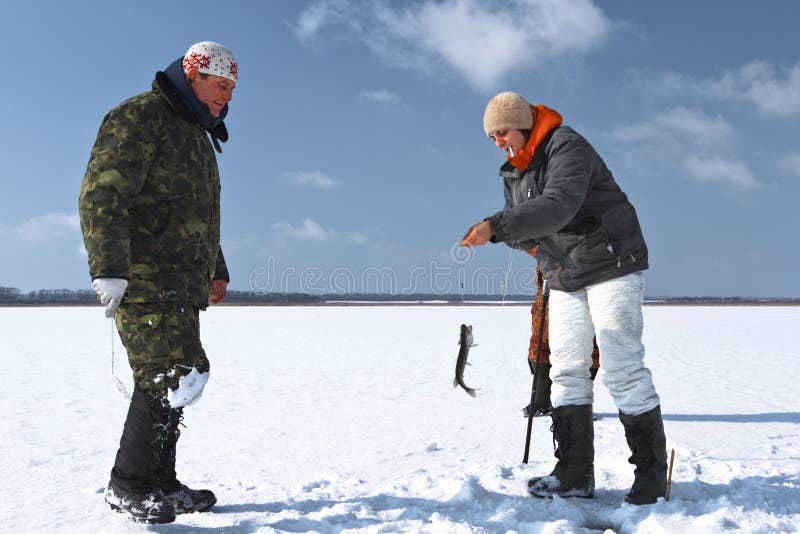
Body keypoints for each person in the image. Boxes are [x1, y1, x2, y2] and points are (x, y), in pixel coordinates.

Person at [461, 92, 667, 505]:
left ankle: (651, 476)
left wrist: (494, 227)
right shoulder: (513, 173)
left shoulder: (567, 145)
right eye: (492, 138)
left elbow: (558, 206)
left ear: (521, 122)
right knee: (566, 370)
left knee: (623, 368)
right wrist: (521, 242)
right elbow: (526, 229)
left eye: (502, 132)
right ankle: (573, 475)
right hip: (564, 276)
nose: (499, 142)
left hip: (612, 266)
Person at [79, 41, 237, 524]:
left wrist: (215, 266)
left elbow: (197, 216)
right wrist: (108, 267)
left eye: (232, 89)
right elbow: (102, 192)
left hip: (180, 284)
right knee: (168, 376)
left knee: (181, 378)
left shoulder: (195, 134)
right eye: (219, 85)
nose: (226, 96)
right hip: (144, 278)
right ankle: (129, 485)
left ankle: (160, 482)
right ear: (193, 76)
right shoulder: (140, 118)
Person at [522, 253, 599, 419]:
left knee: (585, 346)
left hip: (585, 288)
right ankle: (542, 400)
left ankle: (579, 404)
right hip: (549, 287)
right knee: (540, 344)